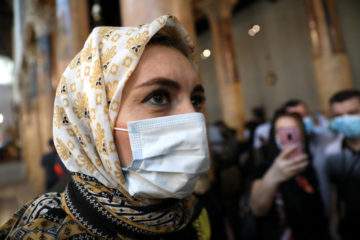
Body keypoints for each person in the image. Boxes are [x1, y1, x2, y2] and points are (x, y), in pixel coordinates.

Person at [0, 15, 214, 239]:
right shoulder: (45, 232)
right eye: (158, 97)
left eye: (196, 100)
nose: (194, 117)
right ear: (94, 123)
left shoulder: (194, 212)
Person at [249, 111, 328, 240]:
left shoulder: (312, 164)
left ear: (302, 135)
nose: (287, 136)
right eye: (280, 132)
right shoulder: (264, 168)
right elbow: (257, 209)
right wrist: (273, 175)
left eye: (293, 131)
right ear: (272, 136)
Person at [325, 89, 360, 240]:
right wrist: (334, 222)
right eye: (338, 116)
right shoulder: (331, 152)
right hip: (350, 227)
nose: (345, 119)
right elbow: (334, 190)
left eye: (353, 113)